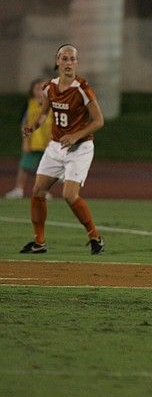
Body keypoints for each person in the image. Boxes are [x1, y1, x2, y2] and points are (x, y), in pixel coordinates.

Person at [19, 44, 105, 255]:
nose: (69, 63)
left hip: (80, 147)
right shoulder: (50, 87)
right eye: (64, 59)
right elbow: (44, 112)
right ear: (57, 61)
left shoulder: (83, 89)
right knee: (38, 191)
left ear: (76, 62)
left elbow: (99, 121)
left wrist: (75, 135)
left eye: (72, 59)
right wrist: (34, 126)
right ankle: (39, 242)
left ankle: (95, 236)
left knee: (69, 194)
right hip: (56, 147)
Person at [5, 79, 53, 199]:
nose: (40, 92)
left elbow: (56, 124)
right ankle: (18, 189)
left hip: (49, 142)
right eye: (37, 88)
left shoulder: (53, 104)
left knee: (47, 169)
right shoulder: (29, 104)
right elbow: (24, 124)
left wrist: (52, 140)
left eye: (43, 88)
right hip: (33, 142)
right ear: (32, 90)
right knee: (24, 166)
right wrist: (25, 141)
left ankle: (44, 191)